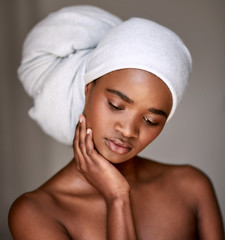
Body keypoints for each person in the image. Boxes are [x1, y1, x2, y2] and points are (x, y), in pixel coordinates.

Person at [8, 5, 224, 240]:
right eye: (116, 105)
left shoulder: (191, 187)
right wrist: (117, 198)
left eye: (151, 120)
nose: (128, 130)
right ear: (87, 90)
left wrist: (117, 196)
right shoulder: (37, 212)